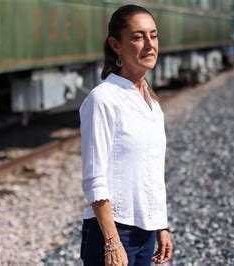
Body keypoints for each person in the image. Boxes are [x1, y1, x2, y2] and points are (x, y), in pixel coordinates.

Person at [79, 5, 172, 266]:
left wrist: (161, 225)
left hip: (145, 234)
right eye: (138, 36)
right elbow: (94, 177)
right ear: (115, 45)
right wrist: (112, 242)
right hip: (113, 233)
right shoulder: (103, 99)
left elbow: (152, 172)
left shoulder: (152, 104)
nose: (149, 45)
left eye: (153, 35)